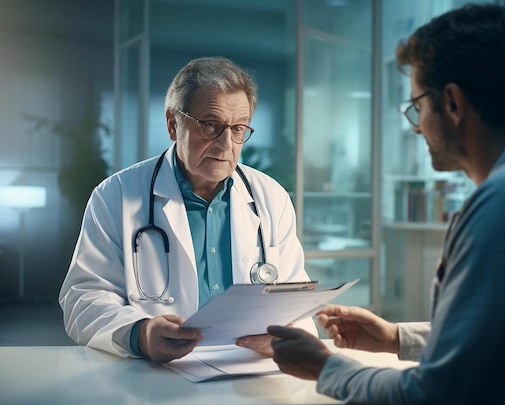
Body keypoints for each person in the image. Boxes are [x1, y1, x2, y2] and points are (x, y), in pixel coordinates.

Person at [268, 4, 505, 405]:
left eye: (417, 106)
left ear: (452, 103)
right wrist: (395, 338)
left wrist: (326, 366)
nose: (416, 125)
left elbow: (436, 396)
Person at [59, 56, 317, 363]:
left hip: (247, 371)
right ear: (173, 123)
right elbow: (83, 299)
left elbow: (294, 301)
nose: (226, 145)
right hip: (156, 378)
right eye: (211, 125)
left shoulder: (270, 198)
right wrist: (139, 334)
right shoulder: (115, 195)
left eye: (238, 129)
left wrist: (284, 336)